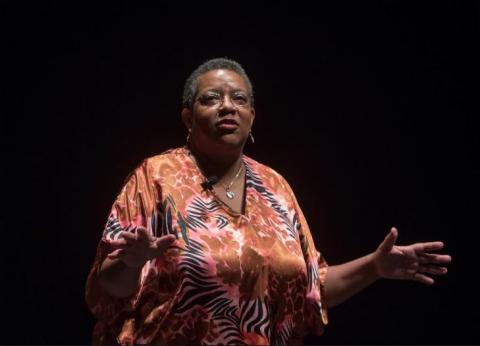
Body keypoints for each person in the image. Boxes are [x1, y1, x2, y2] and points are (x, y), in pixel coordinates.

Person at [85, 58, 451, 345]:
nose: (227, 107)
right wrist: (131, 262)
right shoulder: (156, 177)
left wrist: (374, 266)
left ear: (252, 117)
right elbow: (108, 289)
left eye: (239, 99)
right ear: (188, 117)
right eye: (211, 98)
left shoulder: (275, 187)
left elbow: (312, 288)